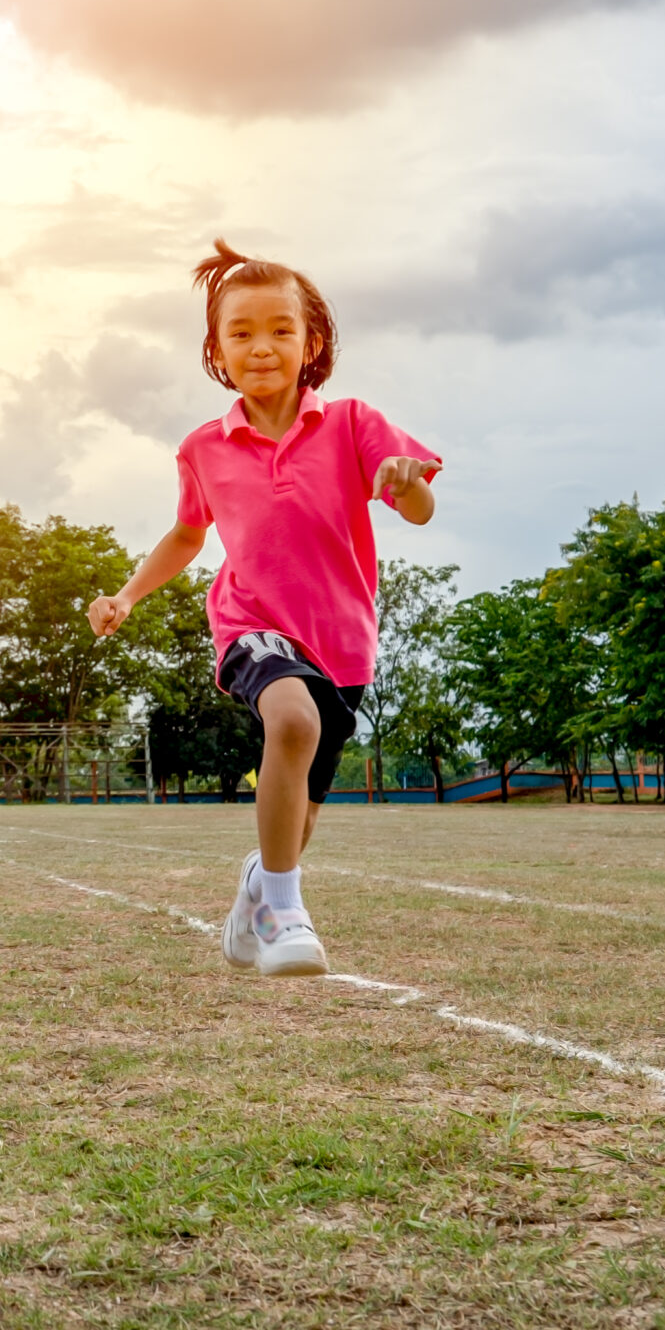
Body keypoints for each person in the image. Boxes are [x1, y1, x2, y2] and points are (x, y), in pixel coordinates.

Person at [88, 241, 438, 977]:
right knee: (293, 720)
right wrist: (126, 595)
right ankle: (282, 912)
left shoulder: (351, 423)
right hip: (251, 625)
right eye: (240, 332)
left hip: (341, 644)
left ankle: (260, 880)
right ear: (216, 350)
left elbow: (417, 506)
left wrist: (405, 481)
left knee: (299, 817)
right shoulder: (204, 448)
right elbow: (188, 535)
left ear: (311, 343)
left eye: (281, 329)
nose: (261, 346)